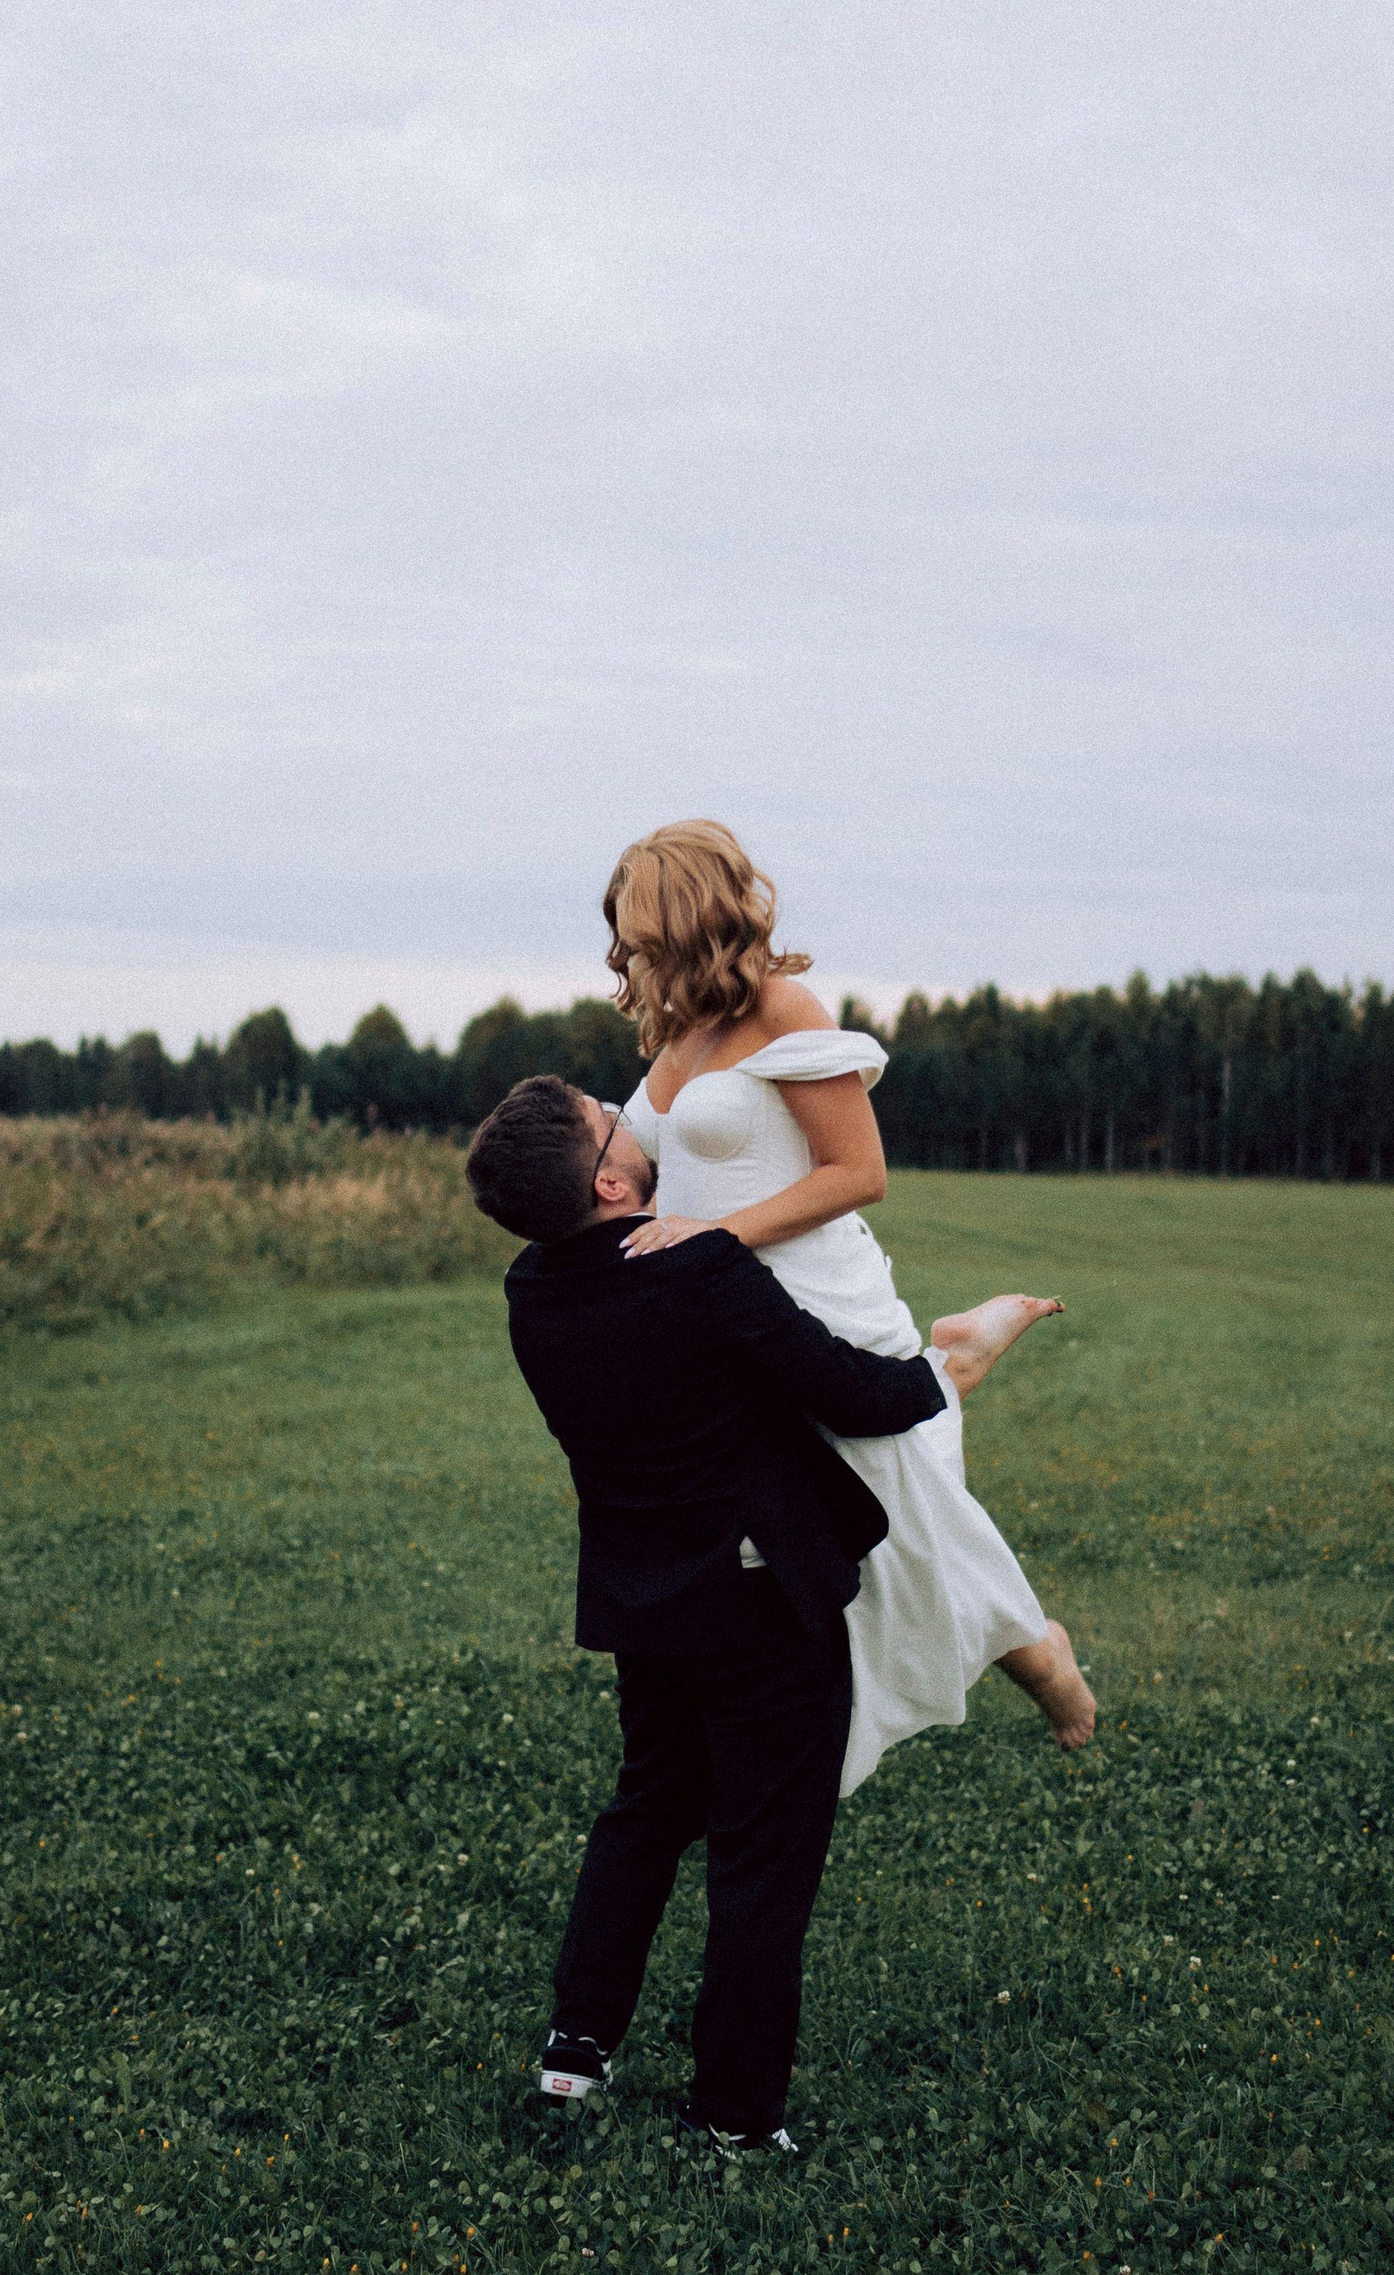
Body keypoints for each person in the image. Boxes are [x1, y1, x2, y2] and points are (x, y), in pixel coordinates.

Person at [464, 1071, 1048, 2157]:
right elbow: (857, 1395)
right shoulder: (697, 1269)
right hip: (757, 1604)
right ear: (608, 1181)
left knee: (646, 1813)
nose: (628, 1118)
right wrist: (952, 1365)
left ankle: (576, 2046)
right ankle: (734, 2114)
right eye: (609, 1121)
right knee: (761, 1858)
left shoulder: (531, 1289)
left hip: (646, 1606)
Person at [604, 818, 1097, 1797]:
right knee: (811, 1537)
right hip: (720, 1334)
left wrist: (714, 1238)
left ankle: (1045, 1661)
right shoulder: (675, 1032)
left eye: (643, 937)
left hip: (815, 1306)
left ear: (690, 920)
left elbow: (858, 1172)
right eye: (624, 941)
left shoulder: (784, 1008)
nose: (629, 957)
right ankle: (954, 1369)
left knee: (901, 1529)